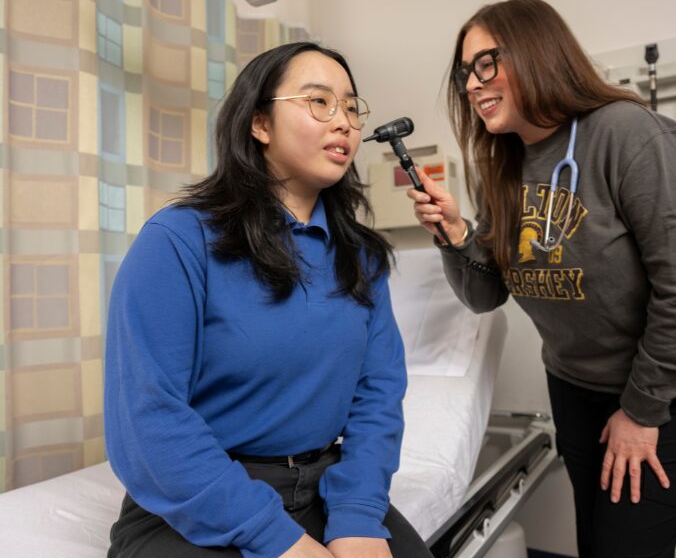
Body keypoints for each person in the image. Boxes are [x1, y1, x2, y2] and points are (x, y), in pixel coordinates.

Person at [406, 0, 676, 558]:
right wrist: (457, 234)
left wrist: (640, 410)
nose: (471, 84)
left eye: (485, 63)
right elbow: (485, 293)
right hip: (577, 390)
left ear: (538, 54)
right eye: (465, 72)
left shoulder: (628, 136)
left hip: (672, 396)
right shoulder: (504, 165)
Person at [104, 41, 433, 558]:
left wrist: (357, 517)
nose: (343, 121)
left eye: (351, 106)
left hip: (327, 489)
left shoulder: (362, 258)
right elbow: (149, 417)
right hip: (200, 501)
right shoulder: (179, 240)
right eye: (319, 102)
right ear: (260, 124)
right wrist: (273, 537)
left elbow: (377, 398)